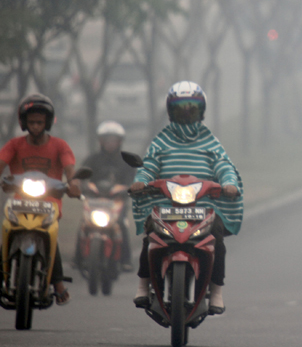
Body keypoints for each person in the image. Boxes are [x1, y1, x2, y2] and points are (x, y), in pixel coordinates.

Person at [129, 81, 243, 315]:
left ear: (201, 110)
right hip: (166, 205)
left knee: (217, 240)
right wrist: (141, 179)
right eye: (181, 107)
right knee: (150, 235)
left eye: (192, 107)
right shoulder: (161, 141)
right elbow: (149, 165)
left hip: (204, 206)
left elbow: (223, 165)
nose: (186, 112)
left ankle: (216, 291)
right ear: (171, 110)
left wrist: (229, 183)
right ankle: (143, 285)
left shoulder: (210, 141)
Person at [0, 94, 81, 305]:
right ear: (23, 122)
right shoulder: (14, 144)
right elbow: (1, 162)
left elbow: (70, 168)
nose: (36, 126)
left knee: (49, 232)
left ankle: (58, 283)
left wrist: (73, 183)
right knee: (8, 228)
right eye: (32, 122)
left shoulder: (60, 146)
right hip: (18, 201)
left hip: (50, 202)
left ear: (47, 122)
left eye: (40, 122)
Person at [74, 121, 135, 271]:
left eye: (113, 140)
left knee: (121, 224)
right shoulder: (92, 159)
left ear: (120, 141)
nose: (110, 143)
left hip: (116, 202)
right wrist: (81, 185)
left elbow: (132, 181)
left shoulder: (127, 161)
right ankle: (78, 259)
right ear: (101, 141)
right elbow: (82, 176)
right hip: (95, 201)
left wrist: (127, 189)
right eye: (107, 139)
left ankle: (126, 260)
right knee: (84, 224)